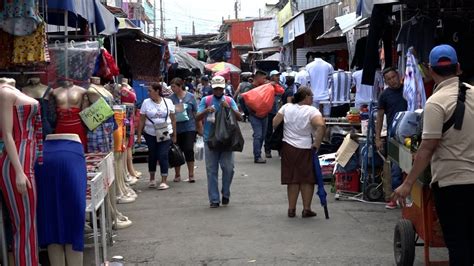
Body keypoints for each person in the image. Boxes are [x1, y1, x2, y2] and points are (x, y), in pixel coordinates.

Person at [393, 45, 474, 266]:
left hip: (452, 183)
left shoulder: (436, 103)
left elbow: (428, 146)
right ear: (458, 68)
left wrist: (408, 183)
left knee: (458, 244)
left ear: (429, 70)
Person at [272, 86, 326, 218]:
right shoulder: (311, 110)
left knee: (292, 179)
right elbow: (321, 125)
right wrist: (317, 143)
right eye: (311, 96)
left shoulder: (286, 107)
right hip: (306, 147)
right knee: (307, 179)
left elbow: (275, 122)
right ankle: (306, 209)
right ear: (306, 97)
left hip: (288, 147)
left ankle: (291, 209)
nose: (313, 99)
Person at [196, 76, 242, 208]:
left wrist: (229, 108)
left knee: (229, 169)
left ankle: (226, 192)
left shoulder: (229, 100)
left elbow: (239, 117)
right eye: (215, 88)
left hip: (227, 140)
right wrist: (206, 110)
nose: (218, 91)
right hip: (210, 140)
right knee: (211, 170)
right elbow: (197, 117)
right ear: (212, 87)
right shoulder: (206, 100)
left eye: (220, 89)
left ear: (223, 88)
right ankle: (214, 199)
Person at [375, 67, 407, 209]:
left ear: (398, 75)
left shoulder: (408, 89)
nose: (393, 81)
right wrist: (377, 138)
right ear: (386, 81)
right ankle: (394, 198)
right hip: (394, 135)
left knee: (412, 167)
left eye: (394, 77)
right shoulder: (384, 95)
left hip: (411, 133)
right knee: (395, 168)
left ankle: (410, 199)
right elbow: (380, 117)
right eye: (389, 79)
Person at [137, 83, 177, 190]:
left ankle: (164, 180)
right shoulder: (146, 103)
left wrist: (174, 135)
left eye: (150, 91)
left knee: (163, 154)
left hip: (165, 132)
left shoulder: (168, 102)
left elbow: (173, 119)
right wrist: (139, 135)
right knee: (152, 155)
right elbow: (141, 120)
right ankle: (152, 178)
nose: (148, 93)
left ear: (157, 91)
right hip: (150, 133)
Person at [169, 78, 199, 183]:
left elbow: (195, 113)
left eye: (174, 86)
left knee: (188, 149)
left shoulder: (190, 97)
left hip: (189, 127)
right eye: (171, 87)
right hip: (176, 128)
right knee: (177, 151)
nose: (172, 89)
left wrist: (199, 127)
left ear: (180, 86)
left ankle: (191, 174)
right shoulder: (171, 99)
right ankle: (177, 174)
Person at [246, 70, 269, 163]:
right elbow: (243, 100)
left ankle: (258, 154)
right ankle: (257, 156)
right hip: (254, 115)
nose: (264, 80)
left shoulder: (264, 87)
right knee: (258, 135)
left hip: (264, 115)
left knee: (262, 136)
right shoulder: (250, 88)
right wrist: (249, 112)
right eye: (263, 78)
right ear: (257, 77)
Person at [264, 70, 282, 158]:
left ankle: (280, 150)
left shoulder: (281, 85)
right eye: (276, 76)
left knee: (280, 132)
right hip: (270, 111)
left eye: (278, 75)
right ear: (272, 77)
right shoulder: (267, 86)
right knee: (269, 131)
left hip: (279, 112)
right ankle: (267, 149)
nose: (278, 77)